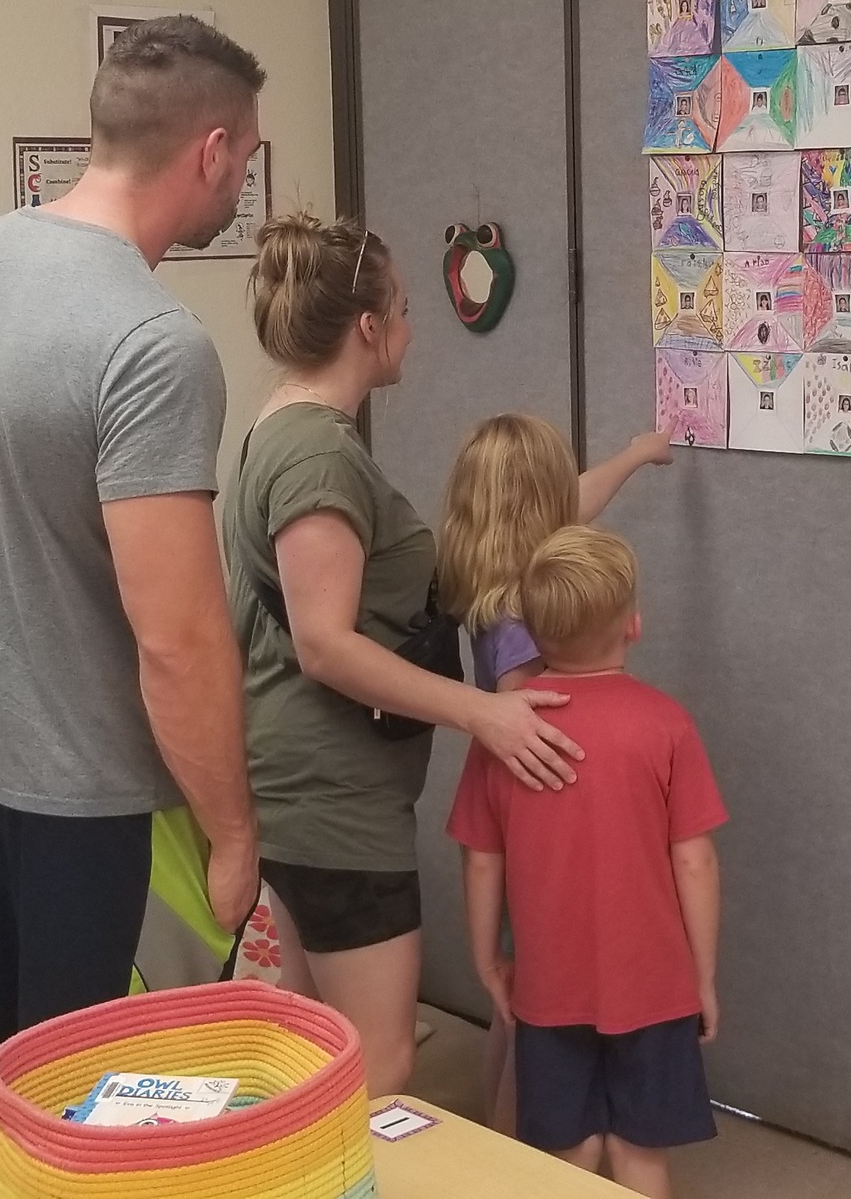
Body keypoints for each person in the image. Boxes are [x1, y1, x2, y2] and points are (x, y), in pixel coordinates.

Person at [0, 15, 265, 1199]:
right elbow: (178, 635)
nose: (243, 178)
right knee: (77, 1098)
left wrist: (1, 594)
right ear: (207, 150)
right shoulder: (149, 339)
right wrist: (235, 831)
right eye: (245, 155)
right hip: (78, 773)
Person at [221, 212, 587, 1098]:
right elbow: (324, 643)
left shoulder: (280, 428)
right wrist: (483, 712)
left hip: (301, 788)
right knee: (377, 1062)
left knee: (316, 1052)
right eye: (406, 310)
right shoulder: (319, 454)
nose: (414, 330)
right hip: (334, 802)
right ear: (368, 328)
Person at [451, 525, 726, 1198]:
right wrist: (704, 976)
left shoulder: (502, 733)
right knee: (643, 1155)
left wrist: (488, 958)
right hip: (656, 985)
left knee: (565, 1155)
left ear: (535, 636)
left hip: (548, 985)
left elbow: (481, 862)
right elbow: (695, 862)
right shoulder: (667, 724)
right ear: (633, 623)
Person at [436, 413, 672, 692]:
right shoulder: (523, 621)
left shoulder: (492, 568)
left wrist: (641, 451)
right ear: (548, 506)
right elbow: (519, 722)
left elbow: (584, 496)